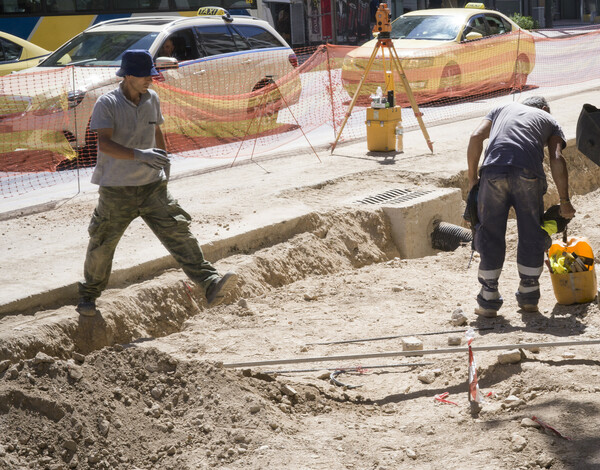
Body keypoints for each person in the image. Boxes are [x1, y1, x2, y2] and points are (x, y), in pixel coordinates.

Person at [77, 49, 237, 317]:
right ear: (128, 76)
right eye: (144, 76)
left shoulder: (152, 98)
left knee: (179, 232)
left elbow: (156, 129)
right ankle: (88, 297)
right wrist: (140, 155)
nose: (150, 80)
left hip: (153, 187)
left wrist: (164, 160)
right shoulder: (107, 103)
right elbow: (103, 144)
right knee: (102, 245)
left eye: (151, 74)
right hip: (117, 190)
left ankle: (209, 283)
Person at [467, 96, 576, 318]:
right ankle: (529, 296)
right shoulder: (549, 119)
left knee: (490, 232)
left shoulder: (500, 108)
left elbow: (476, 136)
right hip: (528, 174)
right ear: (545, 108)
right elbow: (556, 157)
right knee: (531, 232)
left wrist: (472, 180)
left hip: (493, 172)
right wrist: (564, 201)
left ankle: (488, 299)